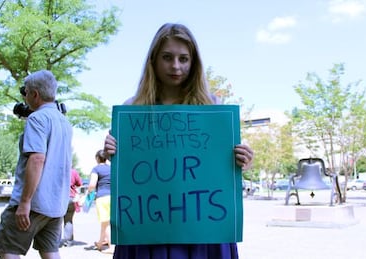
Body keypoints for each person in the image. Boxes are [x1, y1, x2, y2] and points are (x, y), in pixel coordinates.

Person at [103, 23, 254, 259]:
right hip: (147, 234)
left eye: (184, 59)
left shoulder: (212, 108)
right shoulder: (132, 110)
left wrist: (243, 158)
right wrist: (113, 151)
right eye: (167, 57)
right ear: (153, 60)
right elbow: (128, 174)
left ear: (193, 63)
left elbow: (221, 171)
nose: (176, 66)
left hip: (203, 235)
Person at [0, 70, 73, 259]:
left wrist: (24, 202)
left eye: (26, 92)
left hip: (34, 202)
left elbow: (37, 159)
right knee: (50, 251)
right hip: (56, 203)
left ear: (35, 94)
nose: (25, 97)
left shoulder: (37, 118)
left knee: (5, 247)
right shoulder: (64, 122)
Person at [84, 150, 112, 253]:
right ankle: (100, 243)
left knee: (106, 222)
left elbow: (92, 185)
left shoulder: (96, 169)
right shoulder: (111, 169)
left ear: (97, 158)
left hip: (102, 198)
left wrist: (89, 192)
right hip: (112, 197)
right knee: (105, 223)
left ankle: (111, 247)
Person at [60, 168, 82, 247]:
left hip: (59, 198)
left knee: (56, 221)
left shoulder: (57, 169)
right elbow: (79, 183)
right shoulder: (73, 171)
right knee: (68, 220)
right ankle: (68, 242)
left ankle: (54, 241)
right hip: (70, 198)